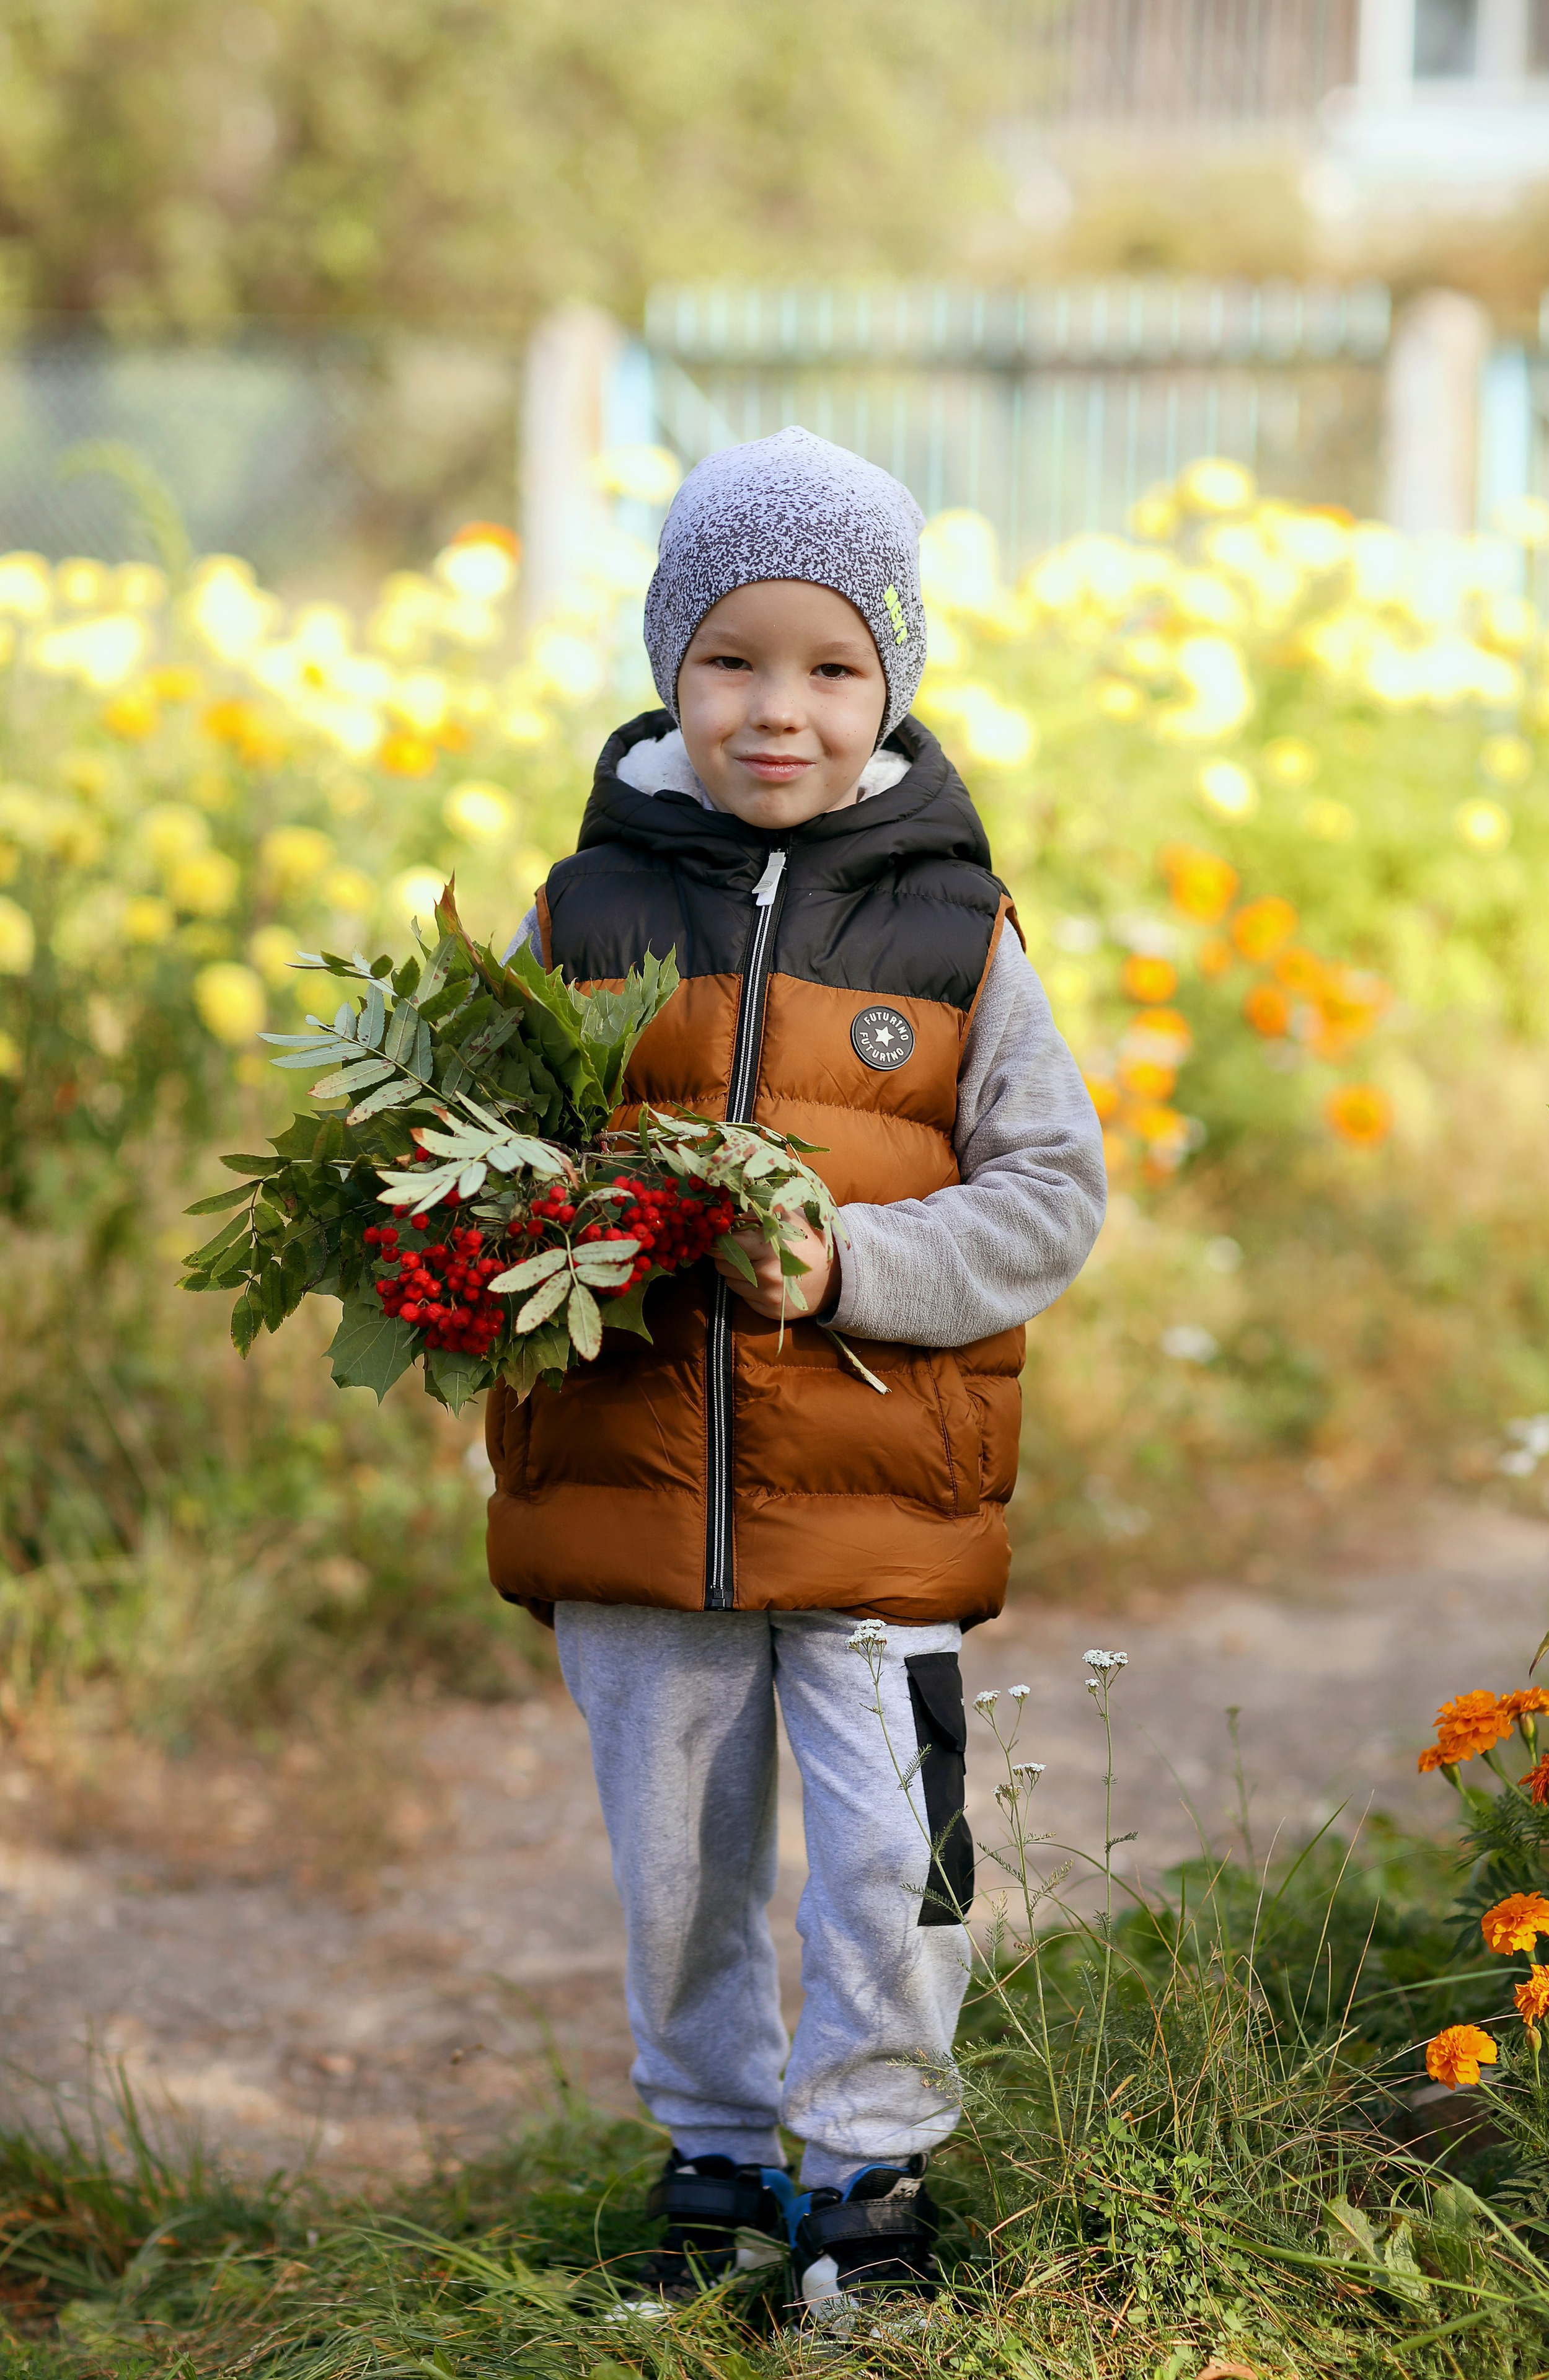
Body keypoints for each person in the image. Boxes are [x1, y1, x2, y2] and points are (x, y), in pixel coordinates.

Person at [487, 426, 1106, 2320]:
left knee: (886, 1870)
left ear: (892, 682)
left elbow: (1053, 1198)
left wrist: (854, 1265)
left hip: (882, 1517)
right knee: (678, 1862)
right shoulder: (577, 923)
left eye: (834, 667)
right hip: (631, 1500)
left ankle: (872, 2179)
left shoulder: (959, 935)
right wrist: (507, 1253)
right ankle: (717, 2165)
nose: (782, 711)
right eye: (734, 661)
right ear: (669, 667)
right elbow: (484, 1169)